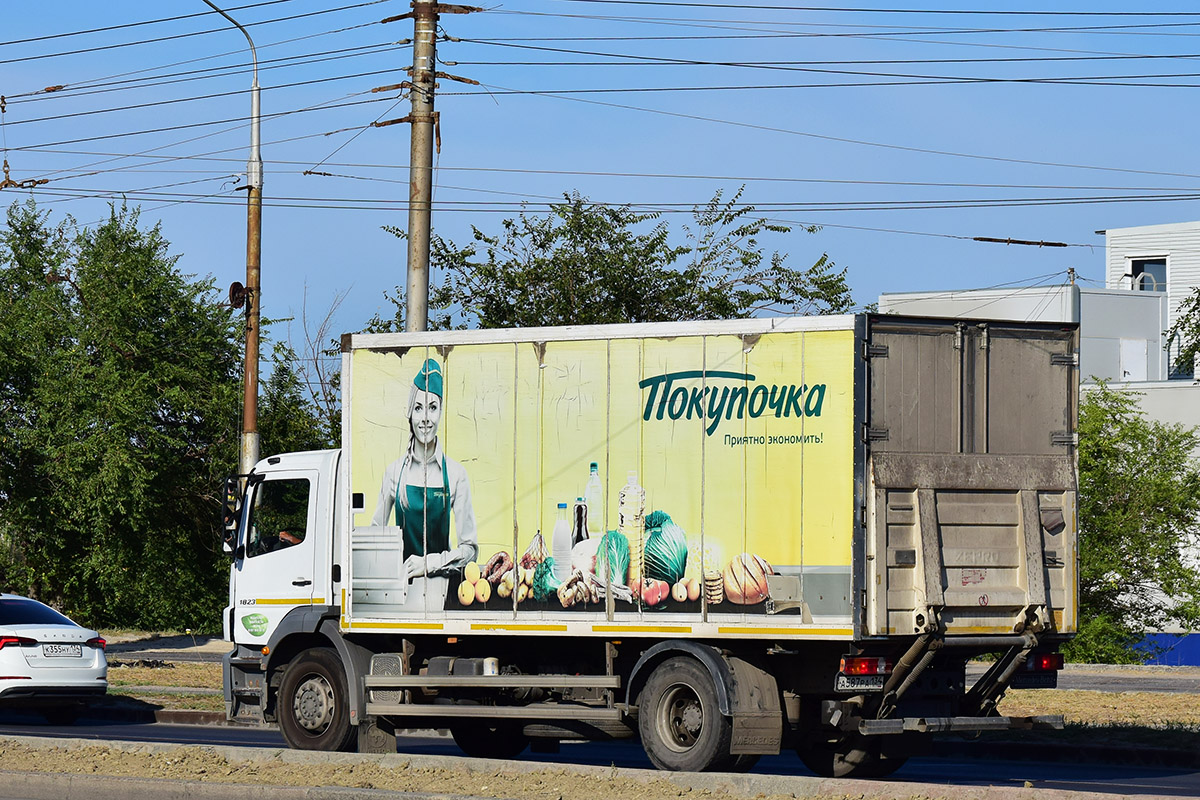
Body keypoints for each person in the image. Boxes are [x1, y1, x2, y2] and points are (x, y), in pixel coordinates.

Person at [371, 358, 477, 608]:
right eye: (418, 408)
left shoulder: (456, 474)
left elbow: (470, 550)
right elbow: (376, 537)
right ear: (410, 414)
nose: (425, 418)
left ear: (441, 412)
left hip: (443, 594)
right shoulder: (394, 472)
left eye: (432, 407)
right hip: (400, 593)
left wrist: (427, 563)